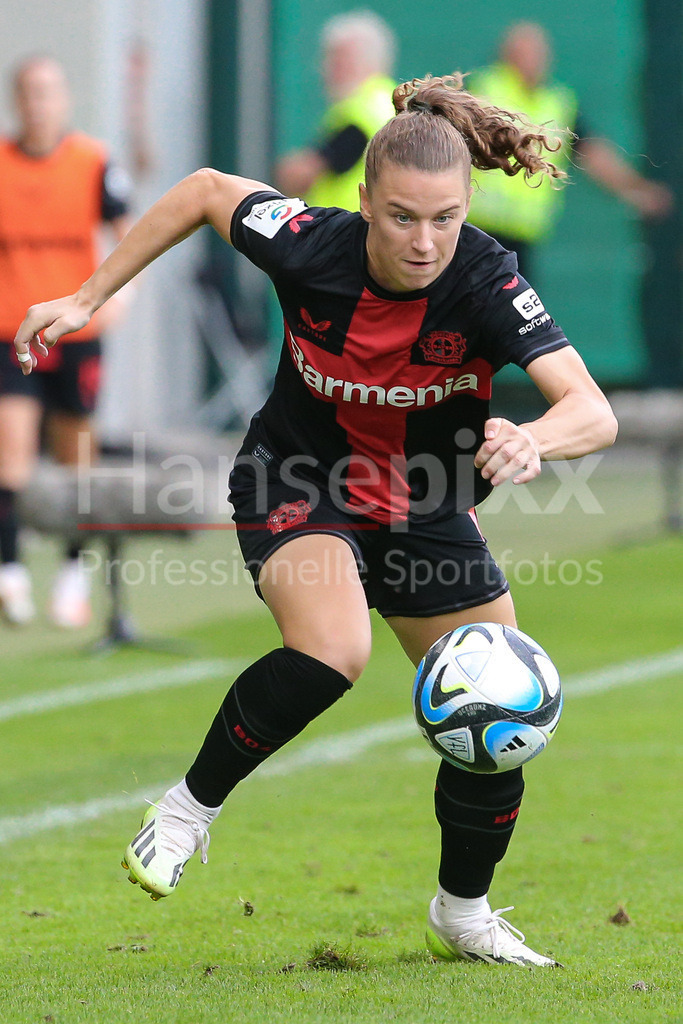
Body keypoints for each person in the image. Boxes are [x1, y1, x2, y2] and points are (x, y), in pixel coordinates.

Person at [15, 72, 618, 967]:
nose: (425, 241)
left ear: (467, 208)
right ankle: (186, 812)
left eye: (445, 218)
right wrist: (86, 298)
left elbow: (592, 412)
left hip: (425, 502)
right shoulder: (308, 242)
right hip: (297, 478)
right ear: (364, 201)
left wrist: (534, 438)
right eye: (403, 216)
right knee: (335, 650)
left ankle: (462, 912)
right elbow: (206, 190)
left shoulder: (490, 279)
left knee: (501, 707)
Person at [0, 54, 133, 627]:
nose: (38, 103)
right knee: (11, 455)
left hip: (75, 329)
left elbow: (127, 231)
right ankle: (9, 573)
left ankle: (72, 577)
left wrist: (121, 294)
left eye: (48, 92)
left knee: (75, 455)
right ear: (16, 100)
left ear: (64, 100)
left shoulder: (93, 162)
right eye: (29, 92)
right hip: (10, 328)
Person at [466, 21, 673, 278]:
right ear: (506, 54)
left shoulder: (558, 103)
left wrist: (634, 188)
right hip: (474, 231)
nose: (533, 59)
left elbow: (594, 154)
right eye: (524, 51)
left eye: (538, 52)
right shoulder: (483, 90)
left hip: (522, 238)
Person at [274, 9, 396, 211]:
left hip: (346, 230)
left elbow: (299, 175)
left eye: (335, 59)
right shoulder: (392, 102)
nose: (324, 68)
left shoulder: (356, 112)